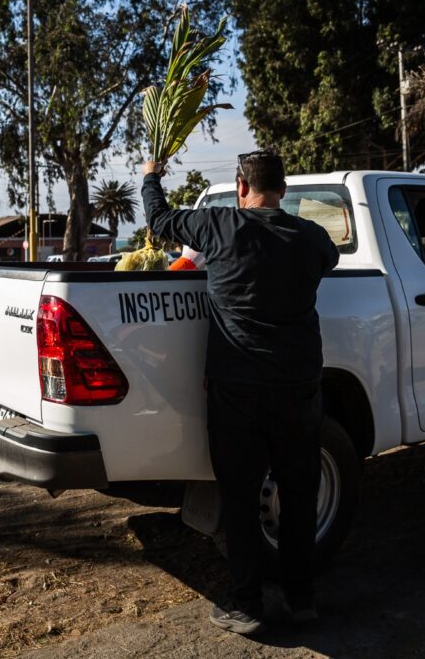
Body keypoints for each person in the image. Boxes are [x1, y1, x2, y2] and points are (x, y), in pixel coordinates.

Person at [142, 150, 339, 634]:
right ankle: (301, 596)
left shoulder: (218, 226)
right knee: (298, 493)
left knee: (241, 496)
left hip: (238, 388)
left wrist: (151, 177)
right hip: (298, 388)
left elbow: (160, 219)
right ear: (284, 190)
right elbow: (329, 260)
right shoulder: (312, 238)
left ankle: (246, 604)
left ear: (239, 187)